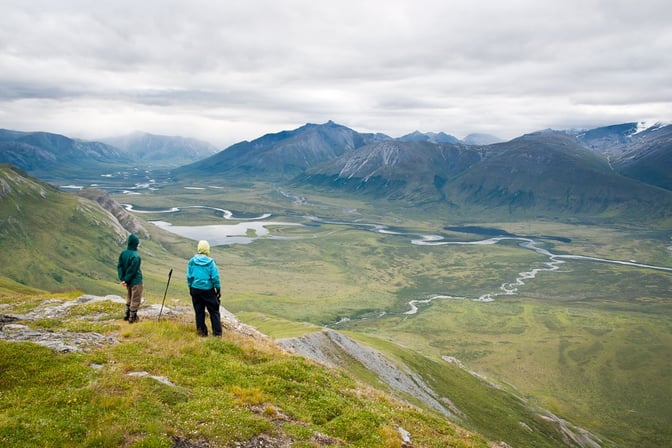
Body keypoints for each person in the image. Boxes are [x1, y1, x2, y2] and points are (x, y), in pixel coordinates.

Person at [187, 240, 222, 337]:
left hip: (195, 289)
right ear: (207, 250)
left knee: (199, 311)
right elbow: (215, 277)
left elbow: (189, 277)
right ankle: (217, 334)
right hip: (208, 290)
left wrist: (190, 287)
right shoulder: (211, 262)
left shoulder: (192, 261)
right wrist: (218, 289)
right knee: (214, 311)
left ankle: (201, 333)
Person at [117, 233, 144, 323]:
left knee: (129, 296)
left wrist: (123, 279)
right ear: (136, 243)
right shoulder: (136, 256)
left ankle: (126, 314)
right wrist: (127, 279)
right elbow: (133, 270)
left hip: (127, 281)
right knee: (136, 298)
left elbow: (120, 266)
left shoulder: (123, 253)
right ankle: (132, 318)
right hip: (136, 281)